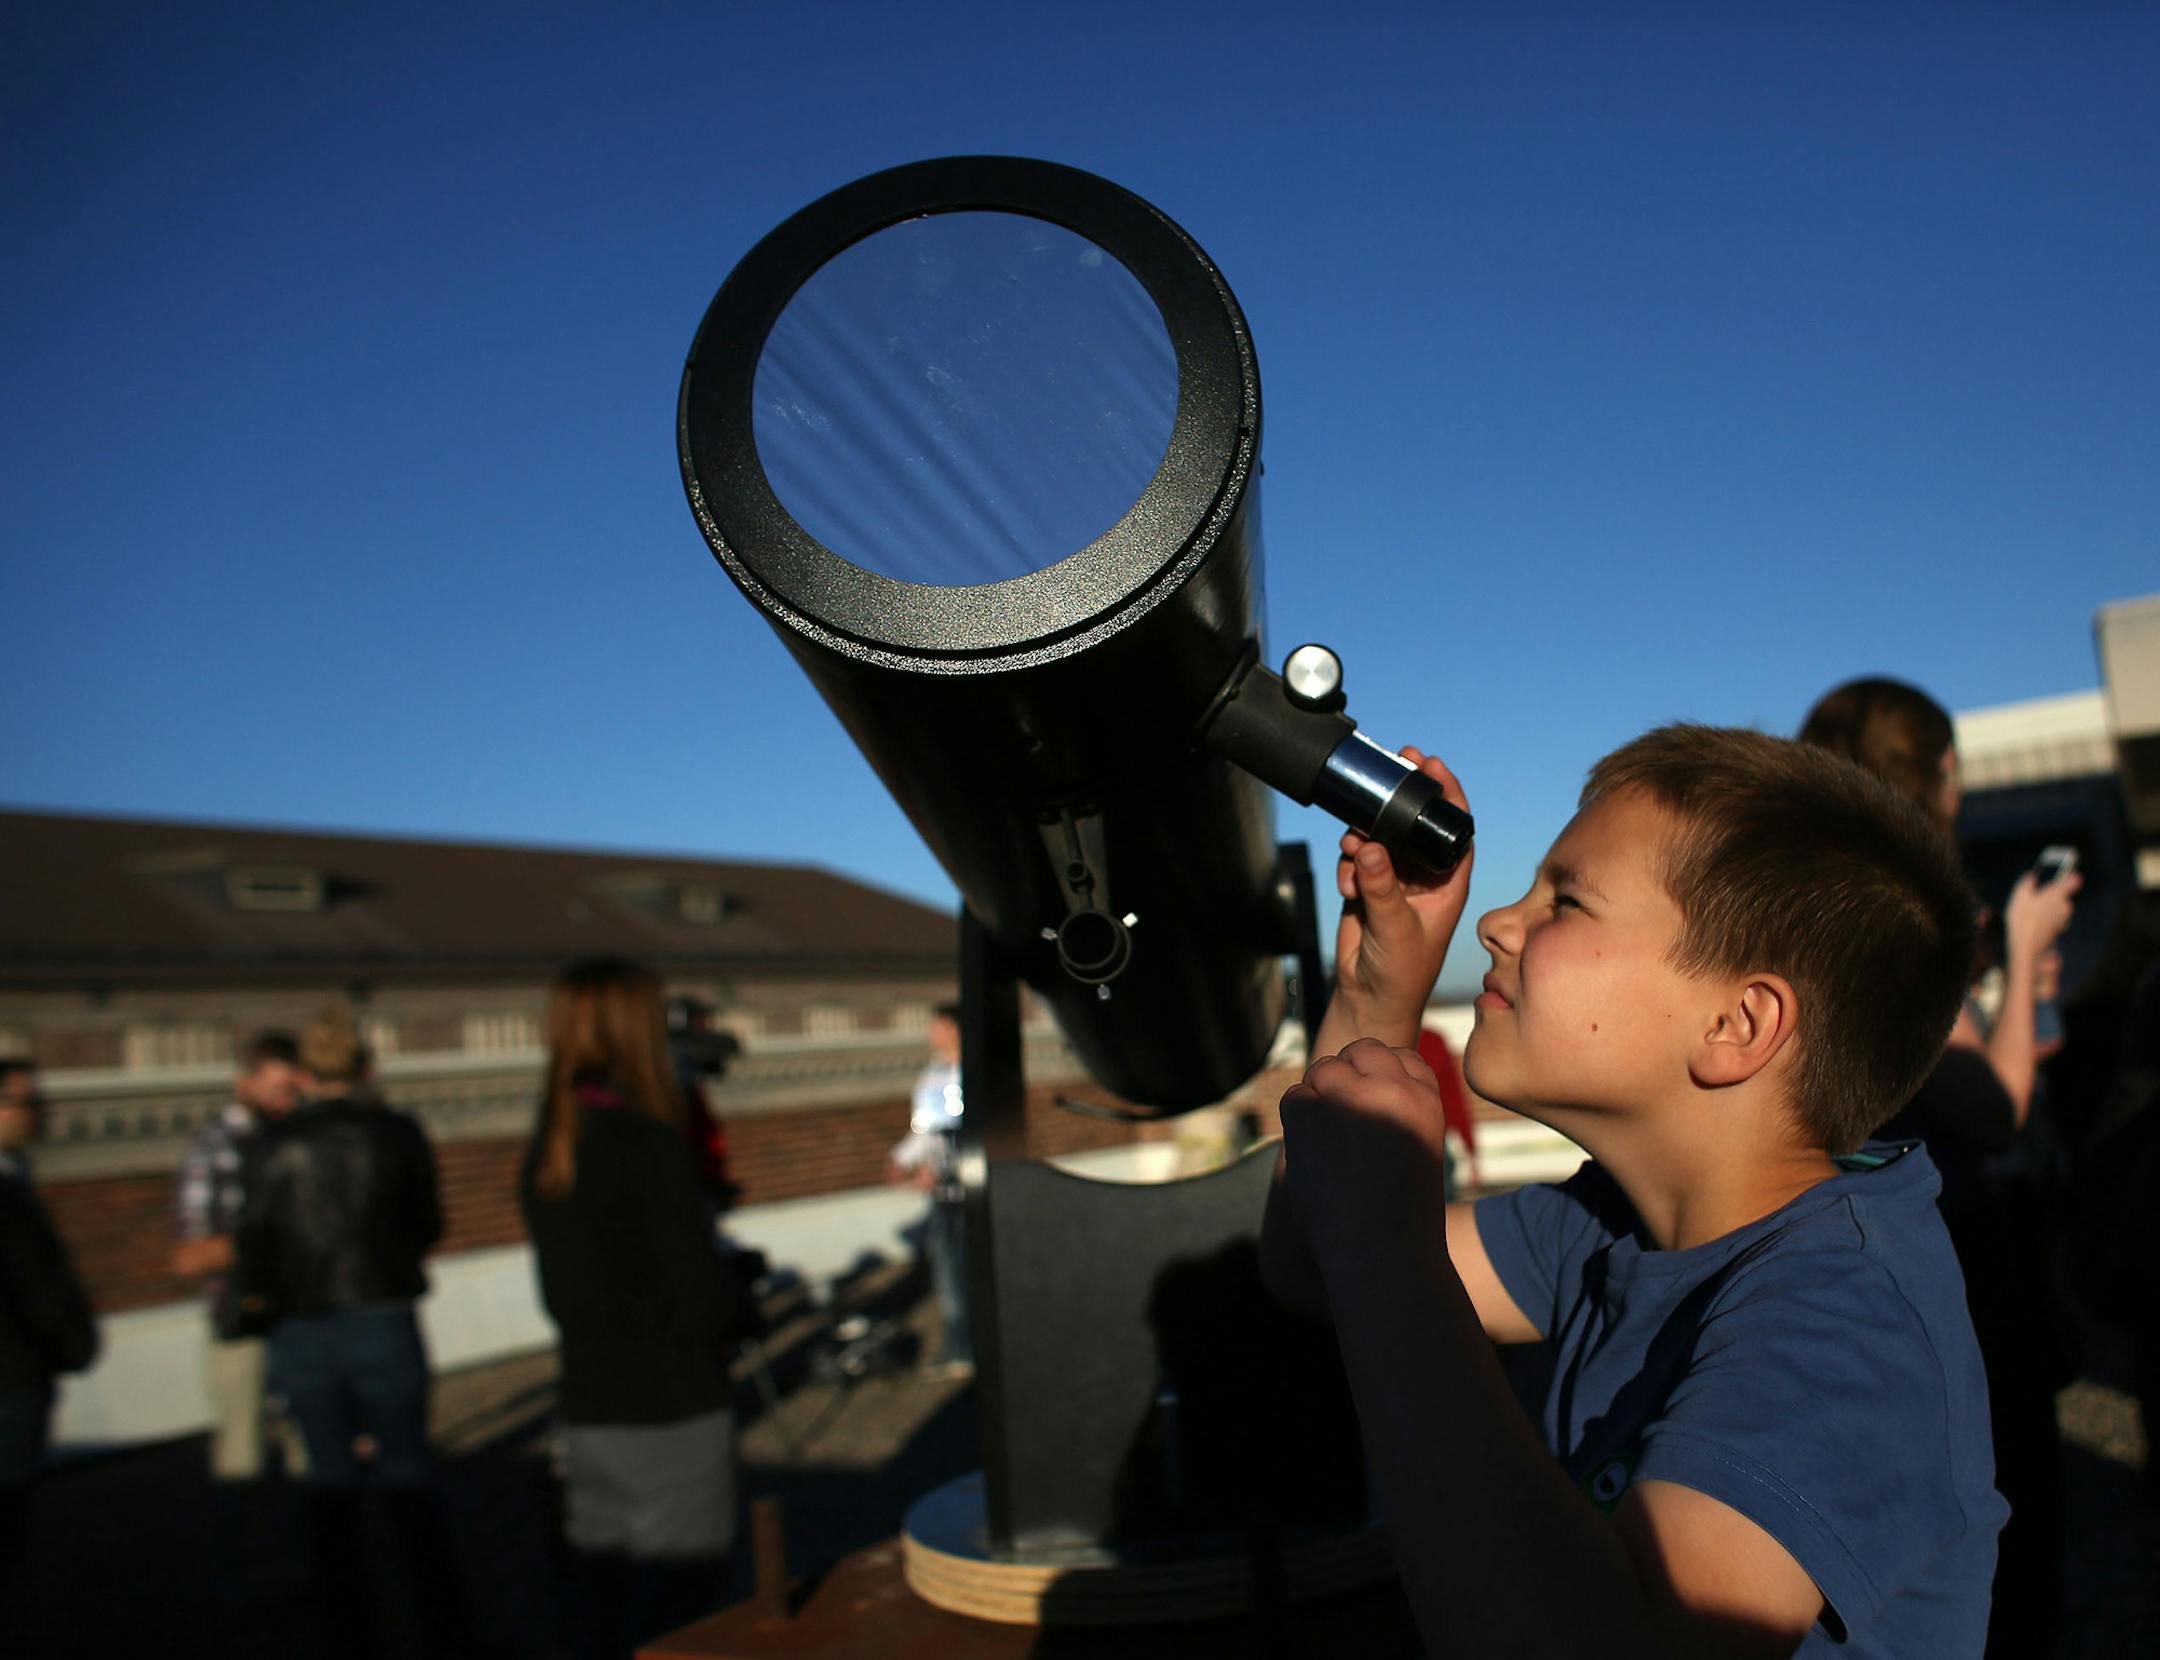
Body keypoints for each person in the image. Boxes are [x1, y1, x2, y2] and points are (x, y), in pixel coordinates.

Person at [1262, 728, 2004, 1657]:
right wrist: (1376, 995)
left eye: (1565, 901)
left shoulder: (1848, 1320)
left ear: (1738, 1023)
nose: (1497, 922)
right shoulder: (1611, 1224)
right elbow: (1314, 1265)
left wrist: (1391, 1250)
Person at [1799, 675, 2079, 1655]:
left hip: (1841, 1238)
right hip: (1950, 1246)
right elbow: (1986, 1108)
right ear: (1939, 772)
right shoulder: (1901, 898)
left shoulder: (1807, 889)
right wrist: (2028, 939)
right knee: (2005, 1533)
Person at [521, 959, 751, 1660]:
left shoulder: (553, 1143)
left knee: (596, 1598)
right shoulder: (647, 1145)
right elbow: (696, 1297)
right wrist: (737, 1303)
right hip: (671, 1406)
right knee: (677, 1614)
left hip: (591, 1402)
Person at [237, 1007, 464, 1659]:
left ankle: (350, 1630)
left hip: (304, 1324)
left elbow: (256, 1242)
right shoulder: (395, 1133)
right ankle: (442, 1627)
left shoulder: (273, 1145)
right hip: (382, 1312)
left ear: (305, 1074)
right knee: (408, 1472)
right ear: (365, 1067)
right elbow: (426, 1222)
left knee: (329, 1482)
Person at [172, 1029, 302, 1483]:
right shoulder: (216, 1147)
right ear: (244, 1084)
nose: (287, 1101)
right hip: (241, 1318)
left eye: (293, 1089)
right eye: (277, 1089)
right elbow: (190, 1257)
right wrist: (273, 1237)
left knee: (313, 1449)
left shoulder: (298, 1140)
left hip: (300, 1317)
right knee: (242, 1454)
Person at [0, 1060, 97, 1580]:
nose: (39, 1114)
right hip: (12, 1378)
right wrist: (66, 1342)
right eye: (26, 1102)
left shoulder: (17, 1178)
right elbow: (35, 1282)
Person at [885, 1003, 969, 1372]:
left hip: (968, 1192)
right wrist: (901, 1160)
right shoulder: (932, 1075)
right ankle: (958, 1343)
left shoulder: (971, 1075)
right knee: (948, 1270)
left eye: (936, 1026)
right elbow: (926, 1130)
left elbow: (969, 1134)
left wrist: (948, 1171)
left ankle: (973, 1344)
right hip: (941, 1194)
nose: (930, 1033)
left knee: (970, 1266)